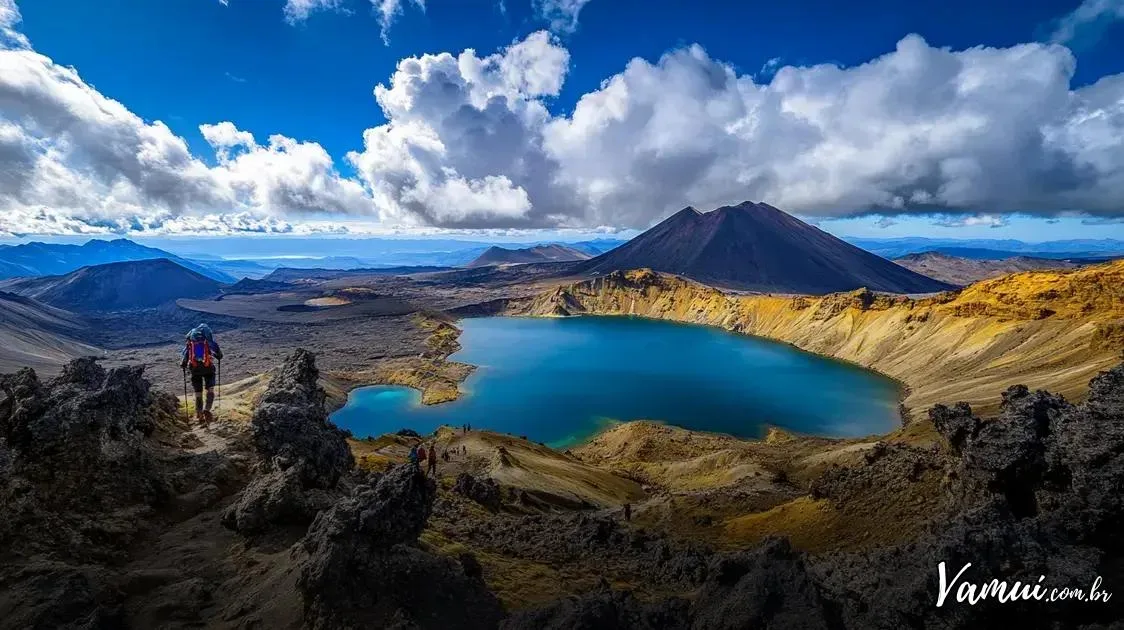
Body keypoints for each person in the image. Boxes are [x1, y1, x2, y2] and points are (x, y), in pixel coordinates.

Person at [180, 323, 223, 422]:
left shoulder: (191, 343)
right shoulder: (208, 342)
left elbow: (184, 360)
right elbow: (220, 355)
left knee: (198, 392)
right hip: (208, 368)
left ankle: (199, 414)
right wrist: (217, 355)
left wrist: (183, 365)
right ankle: (207, 409)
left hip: (195, 369)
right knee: (210, 389)